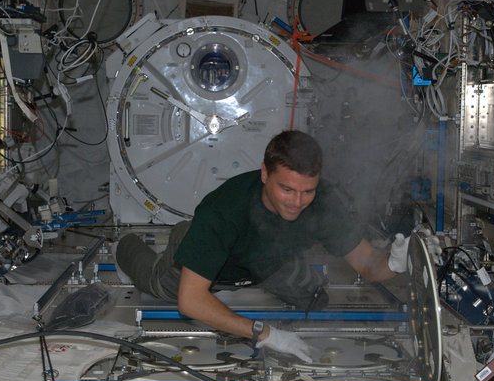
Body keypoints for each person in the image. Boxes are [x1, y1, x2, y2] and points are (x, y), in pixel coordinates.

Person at [116, 130, 409, 362]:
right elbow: (191, 301)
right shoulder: (224, 210)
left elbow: (368, 264)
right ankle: (124, 246)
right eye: (286, 189)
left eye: (307, 191)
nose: (297, 202)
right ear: (265, 175)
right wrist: (265, 334)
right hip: (214, 258)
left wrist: (395, 264)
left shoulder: (324, 203)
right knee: (156, 282)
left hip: (269, 262)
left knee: (314, 297)